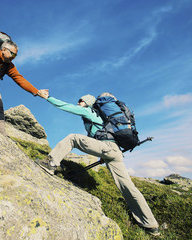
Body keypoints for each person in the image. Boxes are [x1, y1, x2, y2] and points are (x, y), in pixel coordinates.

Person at [36, 90, 160, 236]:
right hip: (115, 152)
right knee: (127, 187)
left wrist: (48, 98)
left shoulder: (89, 111)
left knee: (73, 138)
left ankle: (50, 163)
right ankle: (151, 224)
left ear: (87, 103)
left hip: (107, 149)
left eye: (81, 101)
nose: (78, 103)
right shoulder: (104, 118)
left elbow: (66, 107)